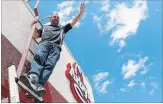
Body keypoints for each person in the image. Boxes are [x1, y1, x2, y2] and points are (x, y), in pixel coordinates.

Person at [20, 3, 85, 97]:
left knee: (49, 66)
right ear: (50, 18)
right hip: (44, 44)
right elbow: (35, 35)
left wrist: (80, 13)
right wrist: (33, 23)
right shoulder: (45, 27)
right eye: (54, 17)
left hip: (56, 48)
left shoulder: (63, 29)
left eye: (58, 18)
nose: (56, 18)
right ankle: (33, 78)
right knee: (39, 59)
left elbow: (73, 22)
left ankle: (39, 86)